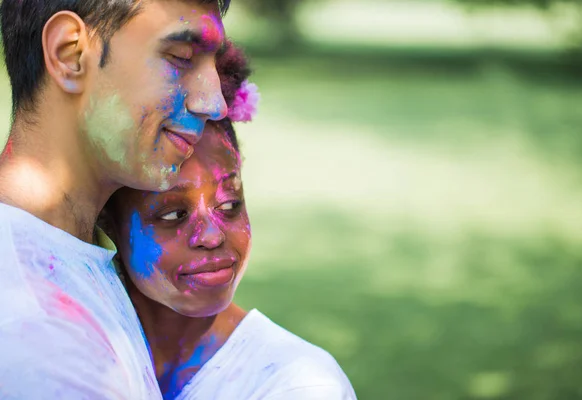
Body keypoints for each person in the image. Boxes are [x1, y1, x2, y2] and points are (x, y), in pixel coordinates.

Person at [102, 40, 358, 400]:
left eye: (229, 205)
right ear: (109, 223)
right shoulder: (72, 346)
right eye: (174, 214)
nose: (211, 235)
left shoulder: (300, 386)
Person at [0, 0, 230, 398]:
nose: (215, 103)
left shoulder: (67, 255)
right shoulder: (40, 337)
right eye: (180, 57)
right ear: (70, 54)